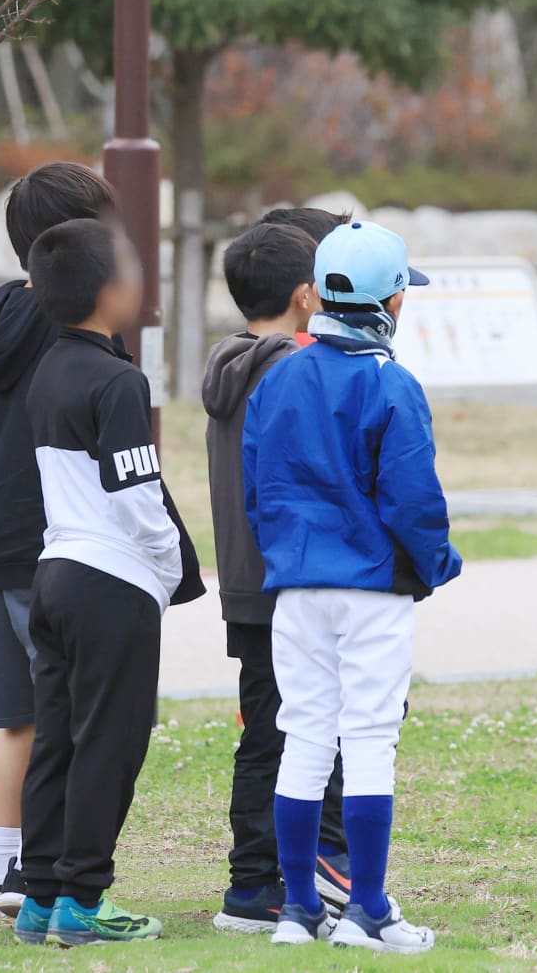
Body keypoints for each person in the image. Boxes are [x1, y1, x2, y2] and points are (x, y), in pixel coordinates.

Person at [243, 220, 463, 952]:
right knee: (369, 738)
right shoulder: (390, 383)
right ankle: (367, 907)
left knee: (303, 735)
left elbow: (257, 489)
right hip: (370, 584)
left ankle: (301, 908)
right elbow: (413, 499)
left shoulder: (277, 378)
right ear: (392, 304)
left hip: (296, 583)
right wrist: (436, 562)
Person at [12, 218, 205, 946]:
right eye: (131, 266)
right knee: (110, 741)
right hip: (111, 582)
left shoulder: (51, 368)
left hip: (54, 572)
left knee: (58, 736)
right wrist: (165, 567)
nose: (140, 278)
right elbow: (137, 496)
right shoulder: (120, 380)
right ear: (107, 290)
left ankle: (40, 897)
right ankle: (84, 901)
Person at [0, 162, 116, 918]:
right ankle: (46, 872)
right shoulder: (70, 322)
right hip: (48, 540)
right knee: (65, 716)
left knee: (15, 717)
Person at [203, 217, 354, 932]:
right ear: (306, 295)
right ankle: (278, 879)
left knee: (266, 727)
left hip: (244, 583)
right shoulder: (295, 368)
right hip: (293, 580)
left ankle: (260, 876)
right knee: (301, 730)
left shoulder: (228, 363)